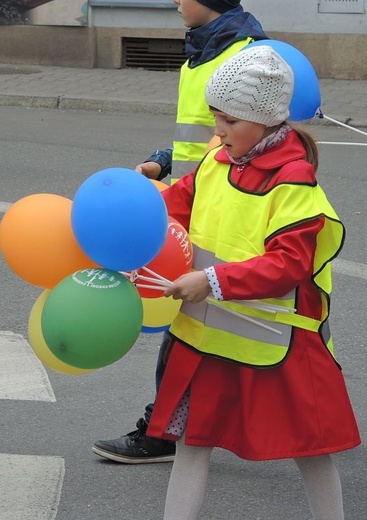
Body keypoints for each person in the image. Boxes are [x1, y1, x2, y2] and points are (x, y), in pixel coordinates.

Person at [144, 46, 361, 519]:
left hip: (277, 341)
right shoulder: (217, 160)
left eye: (228, 122)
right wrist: (136, 204)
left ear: (264, 121)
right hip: (209, 336)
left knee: (312, 449)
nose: (217, 131)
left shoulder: (294, 183)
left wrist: (211, 280)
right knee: (191, 445)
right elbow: (178, 205)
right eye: (216, 118)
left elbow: (289, 265)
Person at [92, 0, 268, 463]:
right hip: (195, 202)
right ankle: (168, 429)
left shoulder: (244, 54)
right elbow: (198, 134)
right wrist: (162, 162)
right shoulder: (201, 53)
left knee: (201, 326)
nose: (173, 0)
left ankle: (162, 432)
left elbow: (247, 132)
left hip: (228, 207)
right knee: (198, 327)